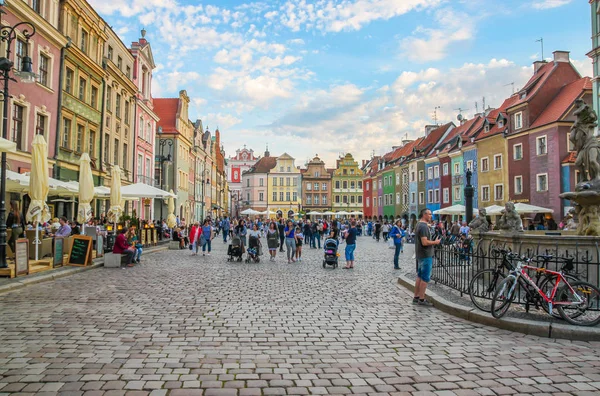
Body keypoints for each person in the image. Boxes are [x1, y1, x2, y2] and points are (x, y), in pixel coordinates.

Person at [413, 208, 441, 306]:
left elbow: (423, 227)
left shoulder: (419, 224)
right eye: (429, 214)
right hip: (426, 254)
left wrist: (428, 225)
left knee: (419, 277)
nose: (431, 216)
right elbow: (425, 242)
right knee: (425, 278)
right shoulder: (423, 227)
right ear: (424, 215)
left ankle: (416, 297)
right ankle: (421, 299)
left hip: (420, 254)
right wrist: (435, 242)